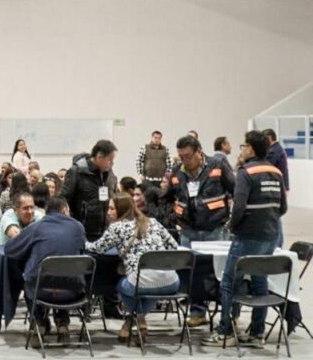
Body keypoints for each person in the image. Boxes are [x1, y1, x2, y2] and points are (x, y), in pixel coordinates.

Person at [204, 131, 288, 348]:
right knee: (260, 282)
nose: (241, 150)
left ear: (251, 148)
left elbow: (239, 207)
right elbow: (283, 207)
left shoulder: (246, 172)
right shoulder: (276, 171)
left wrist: (232, 225)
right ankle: (257, 334)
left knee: (229, 283)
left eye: (243, 146)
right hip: (270, 236)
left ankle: (225, 332)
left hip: (247, 236)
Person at [87, 192, 179, 342]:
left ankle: (136, 318)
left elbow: (96, 248)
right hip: (172, 283)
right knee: (149, 287)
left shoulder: (116, 228)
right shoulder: (153, 222)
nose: (108, 212)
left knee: (120, 284)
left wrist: (81, 241)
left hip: (140, 283)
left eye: (112, 208)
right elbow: (173, 247)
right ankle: (133, 320)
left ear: (122, 210)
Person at [169, 133, 235, 327]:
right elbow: (166, 198)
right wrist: (175, 218)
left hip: (215, 230)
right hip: (188, 231)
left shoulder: (218, 166)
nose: (185, 161)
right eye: (181, 157)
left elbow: (236, 191)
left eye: (188, 156)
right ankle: (197, 312)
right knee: (193, 273)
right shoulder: (177, 172)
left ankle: (227, 315)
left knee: (219, 273)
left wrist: (231, 220)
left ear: (199, 152)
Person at [3, 197, 87, 342]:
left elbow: (9, 249)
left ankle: (38, 322)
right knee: (64, 275)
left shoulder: (36, 228)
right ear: (64, 210)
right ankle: (62, 324)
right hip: (72, 292)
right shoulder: (78, 227)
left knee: (29, 279)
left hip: (41, 291)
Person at [60, 140, 119, 242]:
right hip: (83, 231)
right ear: (99, 157)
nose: (112, 163)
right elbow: (64, 200)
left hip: (106, 230)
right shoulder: (77, 171)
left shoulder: (110, 173)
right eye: (110, 160)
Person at [263, 128, 290, 248]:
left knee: (274, 215)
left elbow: (266, 164)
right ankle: (278, 243)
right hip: (280, 186)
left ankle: (277, 244)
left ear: (269, 138)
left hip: (276, 187)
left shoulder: (274, 151)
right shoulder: (277, 149)